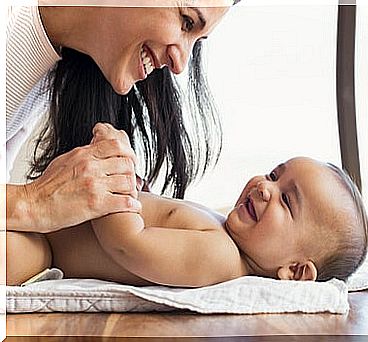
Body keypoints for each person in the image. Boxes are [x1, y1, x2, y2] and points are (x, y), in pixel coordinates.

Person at [6, 1, 236, 235]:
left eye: (197, 42)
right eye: (187, 22)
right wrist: (32, 202)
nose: (181, 65)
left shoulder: (47, 65)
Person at [7, 156, 368, 287]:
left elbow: (127, 244)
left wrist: (115, 174)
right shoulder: (222, 231)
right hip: (51, 220)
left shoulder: (221, 257)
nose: (264, 187)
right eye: (274, 174)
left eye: (286, 200)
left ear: (295, 271)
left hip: (47, 249)